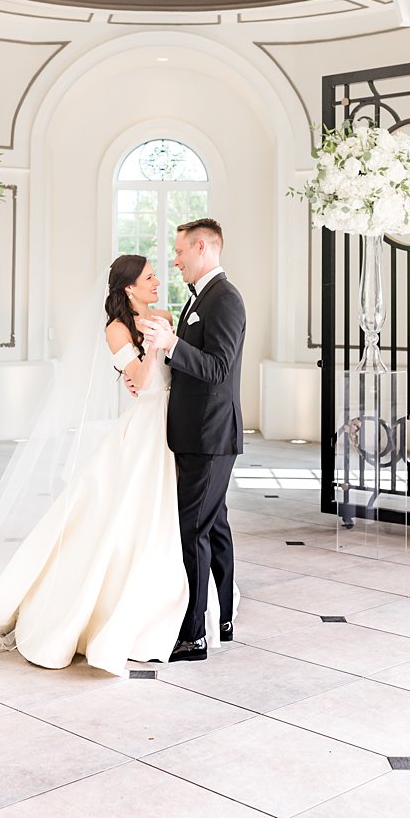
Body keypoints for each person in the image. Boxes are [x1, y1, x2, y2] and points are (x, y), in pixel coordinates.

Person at [0, 255, 193, 675]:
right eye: (149, 277)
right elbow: (141, 381)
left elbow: (180, 368)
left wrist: (165, 340)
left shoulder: (163, 315)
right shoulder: (116, 328)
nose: (157, 281)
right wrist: (155, 348)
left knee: (166, 512)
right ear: (129, 288)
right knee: (129, 513)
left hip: (170, 421)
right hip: (143, 425)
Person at [138, 217, 246, 663]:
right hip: (195, 431)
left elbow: (218, 368)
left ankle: (194, 635)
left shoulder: (225, 300)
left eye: (180, 252)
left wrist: (171, 344)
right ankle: (221, 618)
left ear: (202, 247)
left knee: (194, 530)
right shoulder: (199, 299)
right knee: (214, 525)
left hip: (210, 433)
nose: (175, 260)